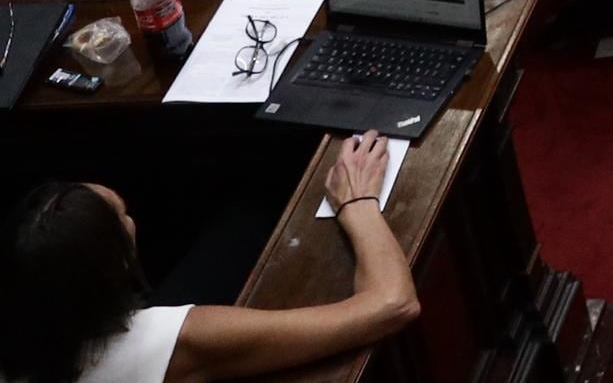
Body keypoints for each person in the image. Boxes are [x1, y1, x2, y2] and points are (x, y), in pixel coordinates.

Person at [0, 140, 423, 383]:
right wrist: (357, 202)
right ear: (115, 266)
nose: (132, 220)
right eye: (122, 218)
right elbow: (392, 304)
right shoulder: (167, 341)